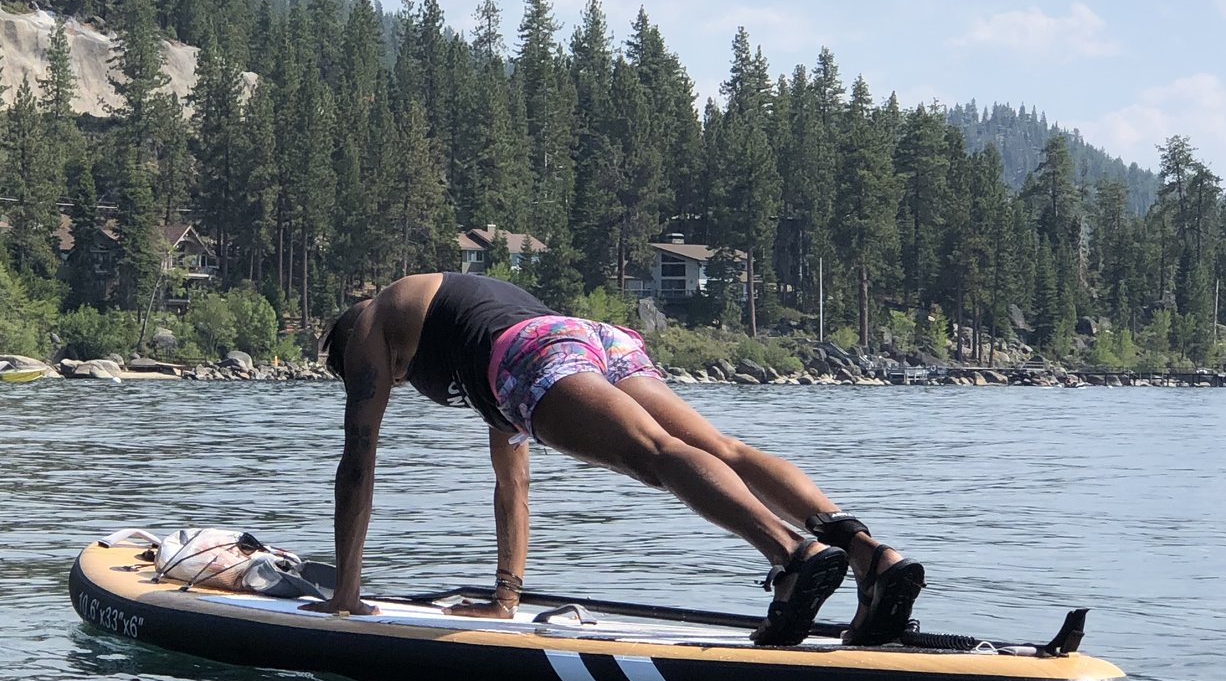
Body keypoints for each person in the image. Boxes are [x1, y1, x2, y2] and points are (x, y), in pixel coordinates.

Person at [313, 271, 926, 646]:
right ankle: (870, 555)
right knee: (720, 448)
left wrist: (345, 596)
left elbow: (357, 460)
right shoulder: (457, 320)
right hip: (586, 335)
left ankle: (793, 555)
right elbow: (512, 485)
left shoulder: (368, 321)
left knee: (657, 456)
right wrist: (505, 599)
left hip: (529, 354)